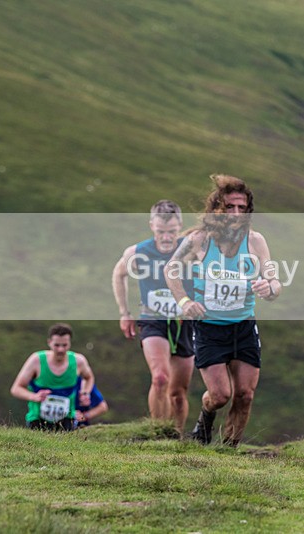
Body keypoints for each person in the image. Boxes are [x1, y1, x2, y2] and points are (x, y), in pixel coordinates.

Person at [165, 174, 280, 447]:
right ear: (217, 208)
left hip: (243, 327)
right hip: (209, 328)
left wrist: (271, 287)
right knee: (219, 395)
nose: (236, 213)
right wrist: (184, 302)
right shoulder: (199, 240)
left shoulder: (255, 241)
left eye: (242, 208)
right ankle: (205, 417)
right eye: (230, 207)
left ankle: (228, 450)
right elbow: (171, 268)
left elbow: (273, 276)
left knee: (245, 395)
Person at [112, 200, 195, 434]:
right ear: (151, 226)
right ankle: (158, 434)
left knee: (178, 393)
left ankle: (176, 437)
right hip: (153, 320)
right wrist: (124, 312)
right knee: (160, 378)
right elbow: (119, 275)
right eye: (161, 232)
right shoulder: (137, 252)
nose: (167, 238)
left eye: (172, 232)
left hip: (184, 323)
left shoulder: (192, 250)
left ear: (180, 226)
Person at [10, 323, 96, 431]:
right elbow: (16, 389)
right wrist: (34, 397)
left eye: (64, 345)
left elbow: (89, 377)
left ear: (70, 343)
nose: (60, 349)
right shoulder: (36, 360)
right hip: (37, 419)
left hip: (66, 420)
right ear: (49, 343)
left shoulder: (79, 361)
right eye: (57, 345)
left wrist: (85, 393)